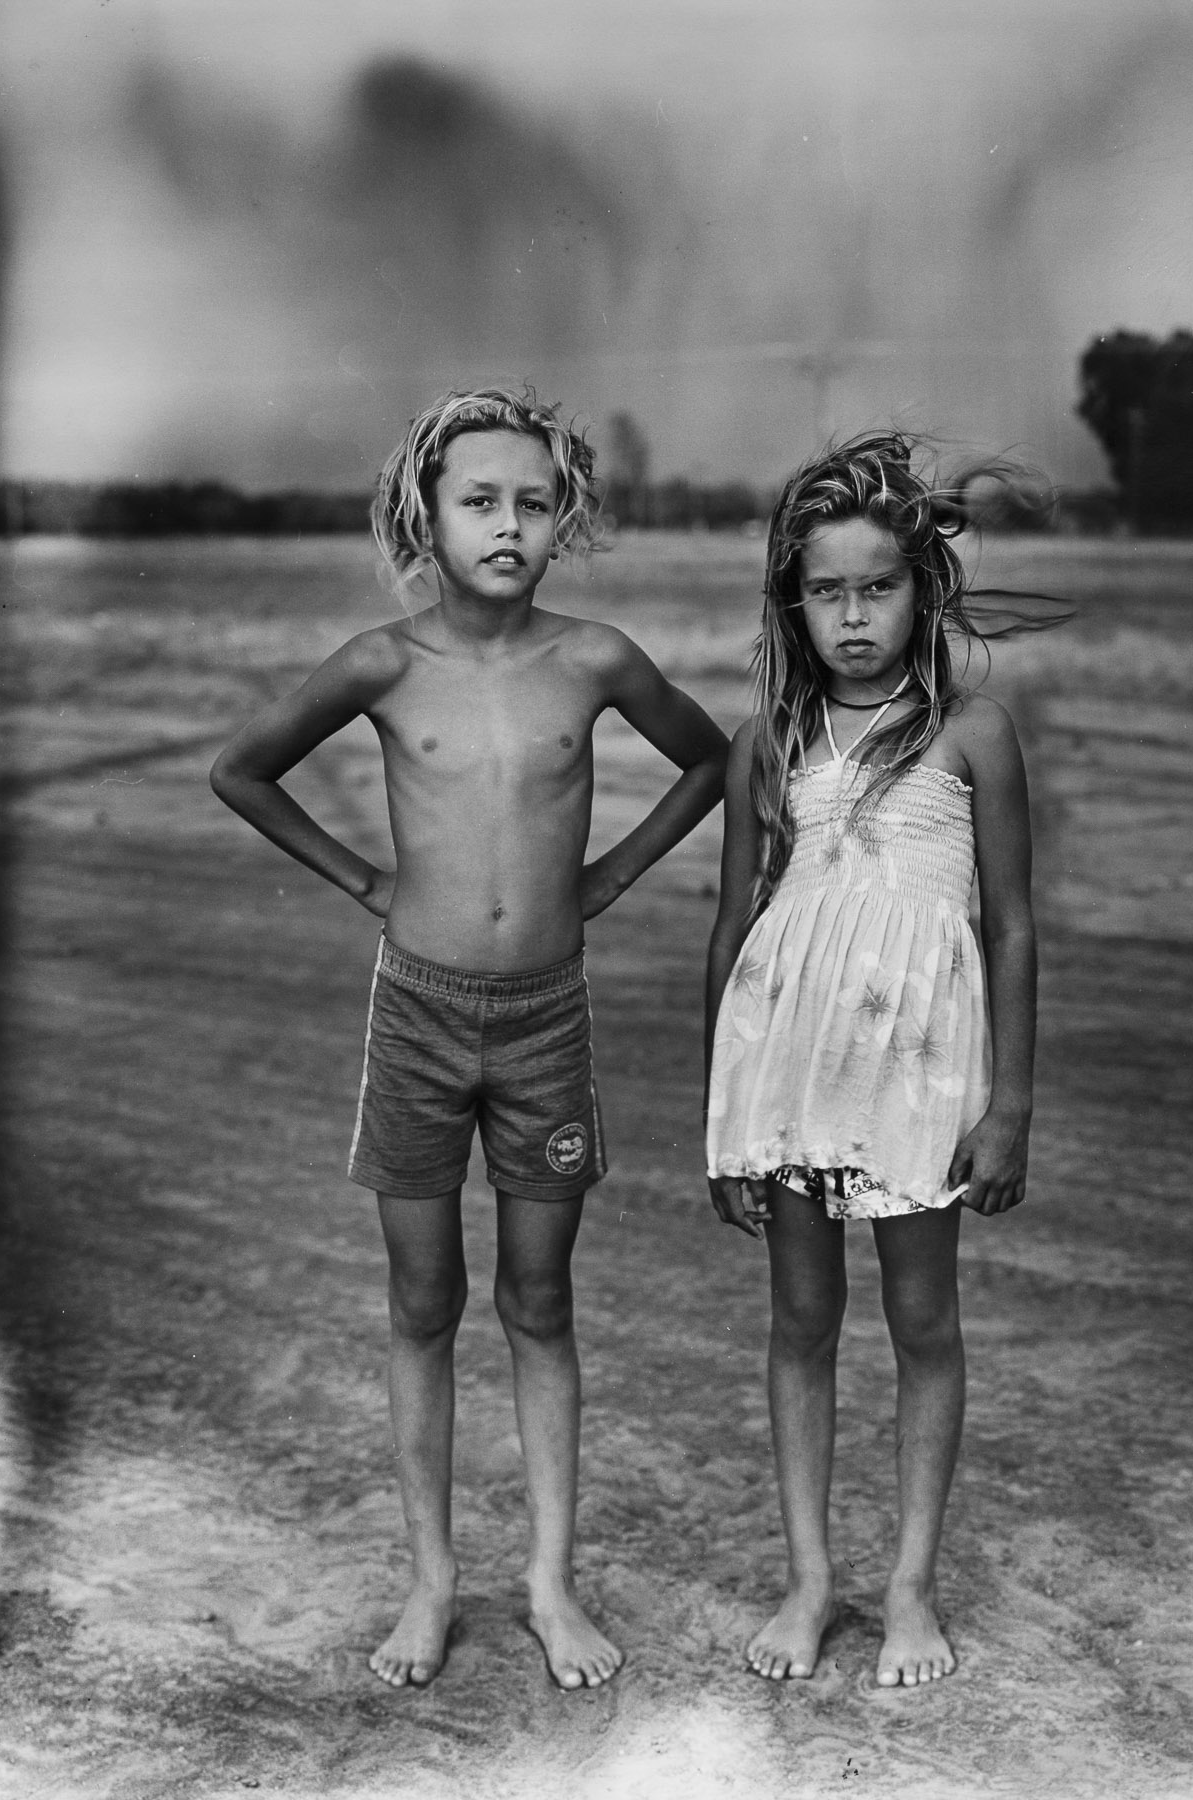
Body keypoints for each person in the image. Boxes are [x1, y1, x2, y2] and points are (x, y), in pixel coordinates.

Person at [211, 388, 729, 1691]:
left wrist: (609, 879)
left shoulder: (596, 659)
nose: (508, 524)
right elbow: (244, 769)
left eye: (533, 502)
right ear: (424, 515)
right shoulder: (383, 664)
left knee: (540, 1300)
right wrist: (360, 880)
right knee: (425, 1301)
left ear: (565, 518)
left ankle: (550, 1584)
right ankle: (433, 1582)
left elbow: (713, 762)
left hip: (547, 1020)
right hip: (421, 1016)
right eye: (479, 500)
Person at [704, 432, 1040, 1689]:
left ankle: (908, 1588)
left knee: (921, 1322)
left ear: (924, 592)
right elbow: (733, 937)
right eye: (828, 590)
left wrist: (1009, 1105)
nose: (854, 615)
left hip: (917, 1078)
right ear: (794, 602)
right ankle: (810, 1581)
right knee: (800, 1321)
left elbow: (1009, 925)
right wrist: (720, 1120)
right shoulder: (768, 746)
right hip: (790, 1080)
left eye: (879, 587)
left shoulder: (972, 735)